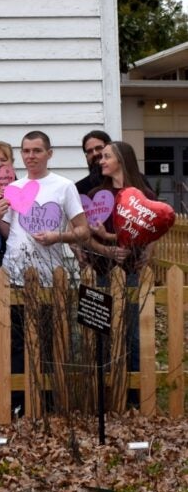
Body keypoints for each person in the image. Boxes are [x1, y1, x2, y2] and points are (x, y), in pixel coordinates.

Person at [86, 140, 155, 401]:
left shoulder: (143, 194)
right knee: (100, 334)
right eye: (100, 157)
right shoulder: (94, 195)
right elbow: (83, 237)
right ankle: (103, 394)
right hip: (100, 273)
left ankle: (135, 395)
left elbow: (152, 230)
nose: (101, 161)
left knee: (132, 334)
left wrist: (127, 243)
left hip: (131, 273)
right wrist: (104, 246)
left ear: (122, 160)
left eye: (106, 156)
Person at [0, 130, 90, 286]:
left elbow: (84, 231)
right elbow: (10, 232)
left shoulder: (64, 186)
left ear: (49, 153)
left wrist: (57, 237)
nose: (30, 156)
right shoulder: (13, 187)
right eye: (26, 151)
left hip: (50, 277)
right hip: (12, 275)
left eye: (37, 151)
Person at [76, 129, 112, 196]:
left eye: (99, 148)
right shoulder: (78, 189)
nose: (95, 153)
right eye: (89, 151)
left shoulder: (128, 181)